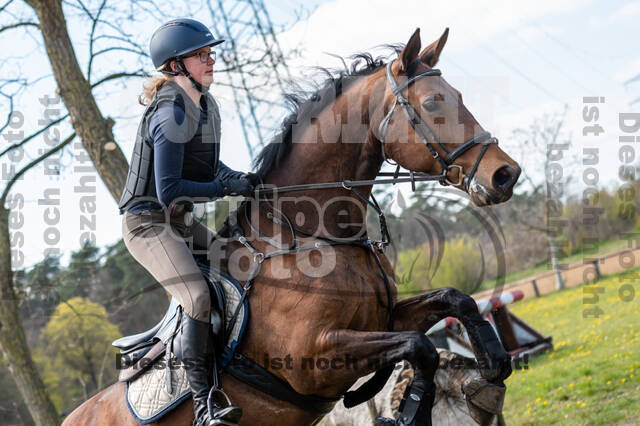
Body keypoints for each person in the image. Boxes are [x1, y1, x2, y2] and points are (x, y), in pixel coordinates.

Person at [118, 18, 256, 426]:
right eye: (202, 54)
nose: (211, 59)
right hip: (147, 224)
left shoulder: (205, 104)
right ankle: (202, 407)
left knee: (242, 264)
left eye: (210, 52)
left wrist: (245, 181)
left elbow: (210, 166)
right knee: (195, 297)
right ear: (176, 66)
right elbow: (170, 190)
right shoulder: (168, 113)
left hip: (178, 222)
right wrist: (224, 188)